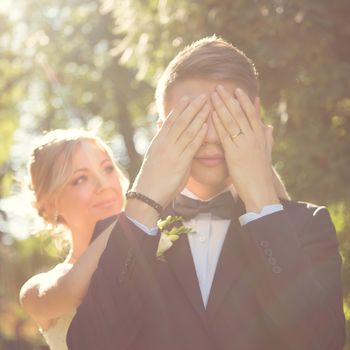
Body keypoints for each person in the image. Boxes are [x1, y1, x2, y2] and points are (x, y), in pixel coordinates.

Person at [67, 36, 345, 350]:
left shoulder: (307, 225)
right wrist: (145, 201)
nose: (211, 138)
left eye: (226, 117)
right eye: (194, 120)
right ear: (162, 131)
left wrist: (261, 202)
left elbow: (325, 343)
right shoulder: (116, 235)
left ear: (254, 118)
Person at [19, 129, 128, 350]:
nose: (103, 184)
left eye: (107, 169)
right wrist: (140, 214)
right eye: (80, 179)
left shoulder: (161, 251)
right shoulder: (36, 292)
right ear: (51, 204)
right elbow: (74, 288)